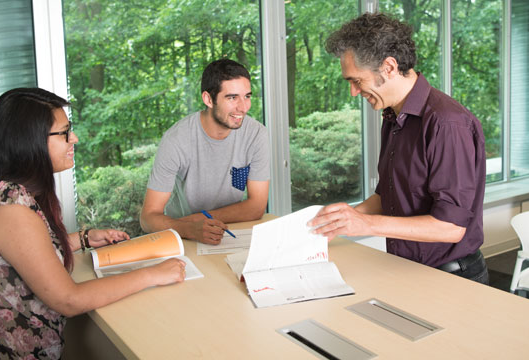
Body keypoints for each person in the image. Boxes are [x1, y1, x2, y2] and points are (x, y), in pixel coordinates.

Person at [0, 88, 186, 358]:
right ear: (30, 140)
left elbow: (16, 255)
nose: (74, 139)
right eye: (64, 132)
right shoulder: (9, 207)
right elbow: (68, 300)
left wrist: (83, 238)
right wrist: (153, 273)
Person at [308, 13, 488, 284]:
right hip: (408, 271)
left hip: (453, 279)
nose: (354, 92)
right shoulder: (393, 118)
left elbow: (451, 226)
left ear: (389, 67)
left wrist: (365, 225)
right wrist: (344, 217)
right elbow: (389, 196)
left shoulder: (447, 123)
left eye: (357, 80)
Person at [140, 59, 270, 244]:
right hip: (184, 236)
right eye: (232, 98)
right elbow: (148, 217)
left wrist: (202, 219)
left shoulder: (257, 134)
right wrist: (188, 228)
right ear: (208, 99)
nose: (243, 107)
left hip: (233, 232)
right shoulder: (176, 140)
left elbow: (257, 207)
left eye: (247, 96)